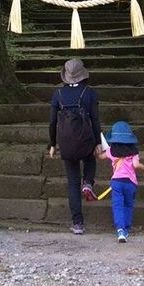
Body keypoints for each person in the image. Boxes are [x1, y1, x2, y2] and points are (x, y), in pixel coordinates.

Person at [48, 58, 102, 235]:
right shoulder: (90, 93)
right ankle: (88, 182)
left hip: (66, 142)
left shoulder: (58, 94)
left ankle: (77, 223)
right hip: (86, 140)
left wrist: (52, 144)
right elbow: (95, 120)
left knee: (72, 181)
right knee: (90, 161)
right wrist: (98, 143)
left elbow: (52, 122)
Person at [98, 120, 144, 242]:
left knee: (117, 206)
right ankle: (127, 228)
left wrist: (97, 148)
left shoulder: (111, 150)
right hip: (130, 183)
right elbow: (136, 165)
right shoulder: (134, 151)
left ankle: (120, 230)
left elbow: (101, 157)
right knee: (128, 205)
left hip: (117, 182)